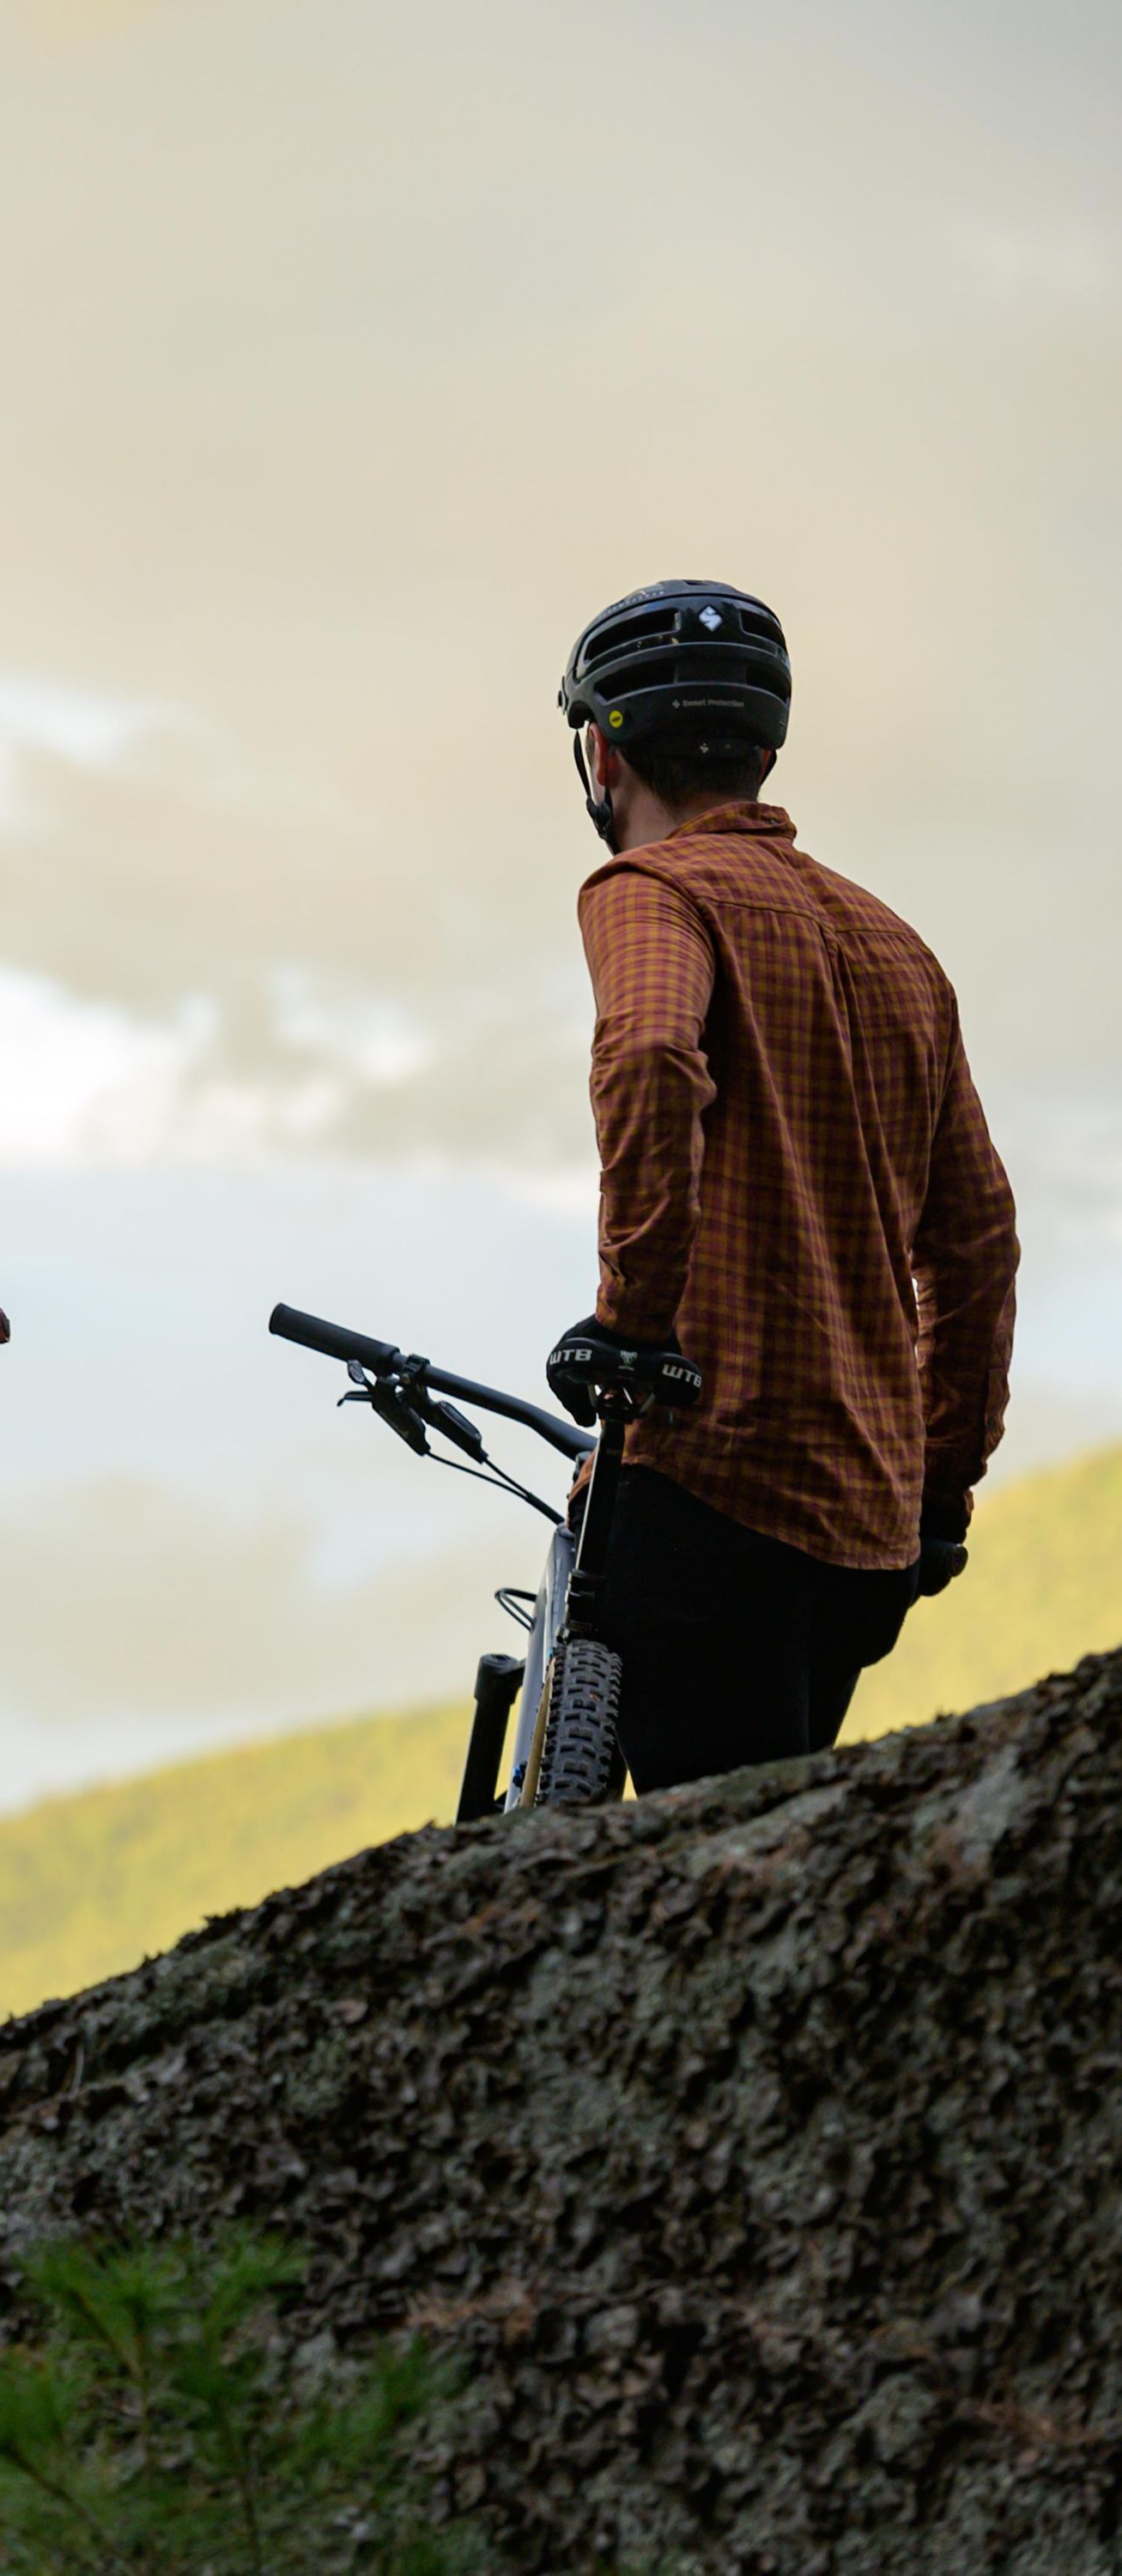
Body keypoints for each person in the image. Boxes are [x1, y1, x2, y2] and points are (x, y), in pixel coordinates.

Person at [543, 579, 1020, 1792]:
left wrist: (634, 1326)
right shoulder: (897, 946)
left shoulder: (654, 891)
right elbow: (977, 1239)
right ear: (764, 747)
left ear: (602, 753)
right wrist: (942, 1485)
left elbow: (651, 1050)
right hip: (863, 1527)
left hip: (713, 1483)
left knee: (672, 1877)